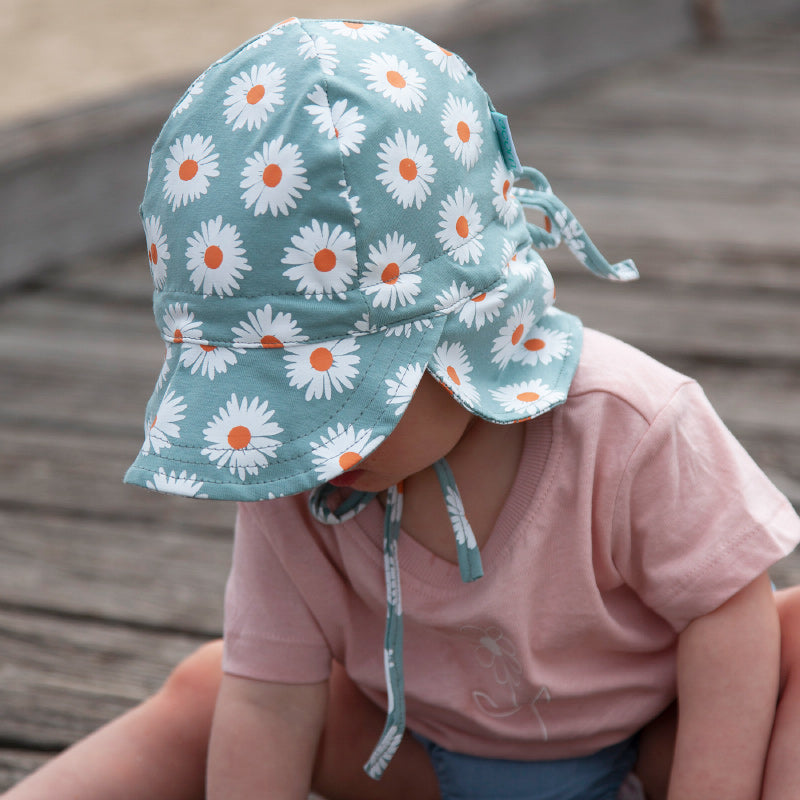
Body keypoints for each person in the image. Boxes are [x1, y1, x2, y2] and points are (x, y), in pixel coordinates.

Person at [5, 17, 800, 800]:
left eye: (337, 398)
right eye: (277, 405)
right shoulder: (295, 466)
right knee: (210, 688)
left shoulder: (625, 422)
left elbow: (728, 614)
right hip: (417, 763)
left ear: (467, 330)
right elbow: (271, 696)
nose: (311, 440)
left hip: (649, 749)